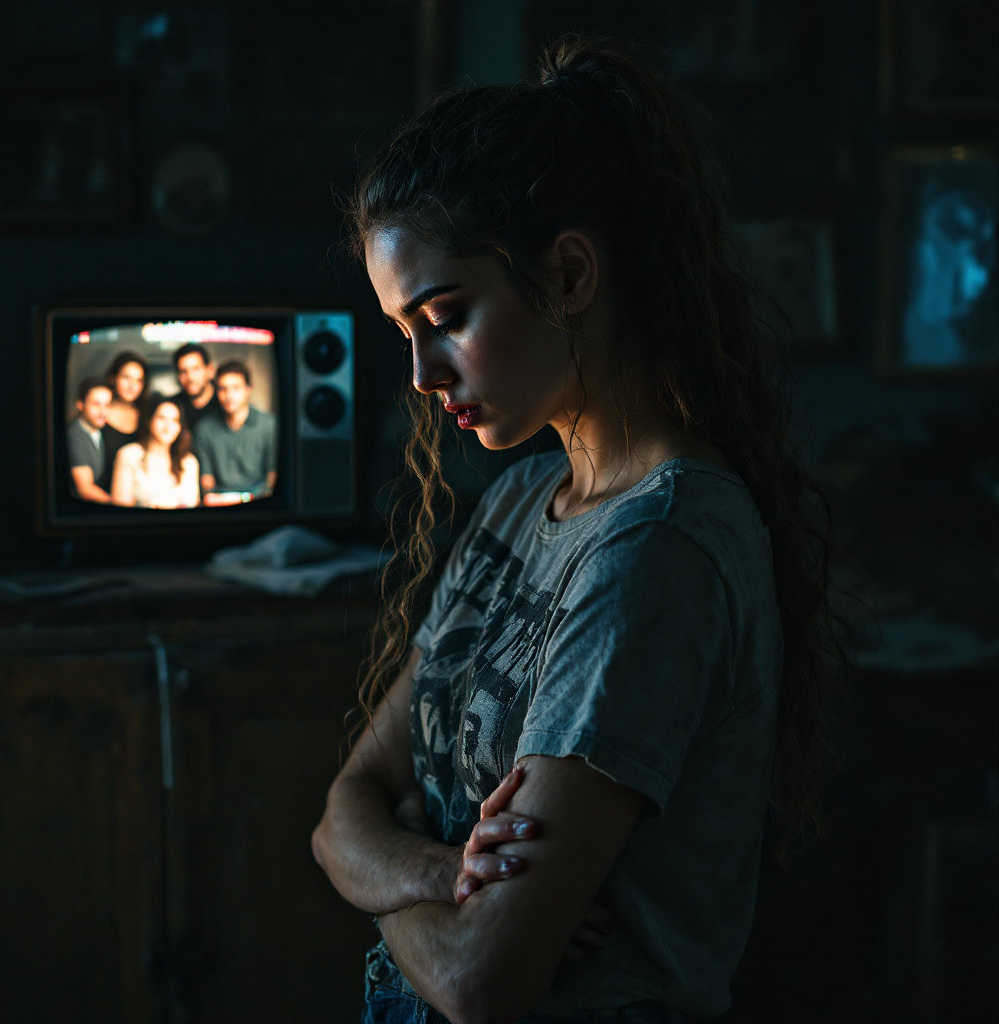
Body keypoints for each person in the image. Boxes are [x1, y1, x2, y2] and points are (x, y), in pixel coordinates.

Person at [311, 36, 842, 1024]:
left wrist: (386, 868)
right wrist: (436, 871)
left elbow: (480, 978)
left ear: (566, 274)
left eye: (447, 313)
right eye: (403, 333)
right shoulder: (523, 498)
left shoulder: (657, 550)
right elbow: (341, 807)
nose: (423, 373)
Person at [193, 360, 277, 504]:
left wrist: (246, 498)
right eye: (222, 389)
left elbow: (272, 476)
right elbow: (207, 479)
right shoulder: (204, 428)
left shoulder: (269, 425)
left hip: (259, 501)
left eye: (236, 388)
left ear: (248, 389)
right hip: (219, 502)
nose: (229, 395)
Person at [110, 393, 200, 509]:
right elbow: (120, 505)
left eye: (175, 421)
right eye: (162, 418)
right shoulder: (129, 455)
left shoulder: (188, 462)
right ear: (149, 421)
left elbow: (192, 503)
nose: (168, 427)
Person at [101, 351, 148, 491]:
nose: (132, 385)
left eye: (138, 380)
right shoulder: (99, 414)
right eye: (126, 377)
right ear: (113, 378)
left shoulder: (147, 418)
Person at [67, 377, 113, 504]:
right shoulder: (74, 435)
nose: (103, 411)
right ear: (80, 405)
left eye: (107, 405)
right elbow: (85, 489)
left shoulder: (99, 429)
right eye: (96, 404)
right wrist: (118, 505)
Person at [173, 342, 219, 430]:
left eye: (196, 369)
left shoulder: (224, 404)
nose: (190, 377)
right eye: (183, 371)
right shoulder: (173, 407)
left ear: (210, 370)